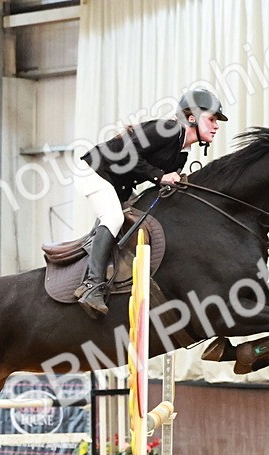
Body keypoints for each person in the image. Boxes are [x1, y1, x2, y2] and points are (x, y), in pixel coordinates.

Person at [72, 88, 228, 318]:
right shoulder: (168, 130)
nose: (216, 126)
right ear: (192, 117)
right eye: (212, 119)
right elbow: (127, 153)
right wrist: (159, 176)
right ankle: (91, 286)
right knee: (113, 218)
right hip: (95, 171)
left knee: (129, 218)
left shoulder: (181, 151)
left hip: (117, 184)